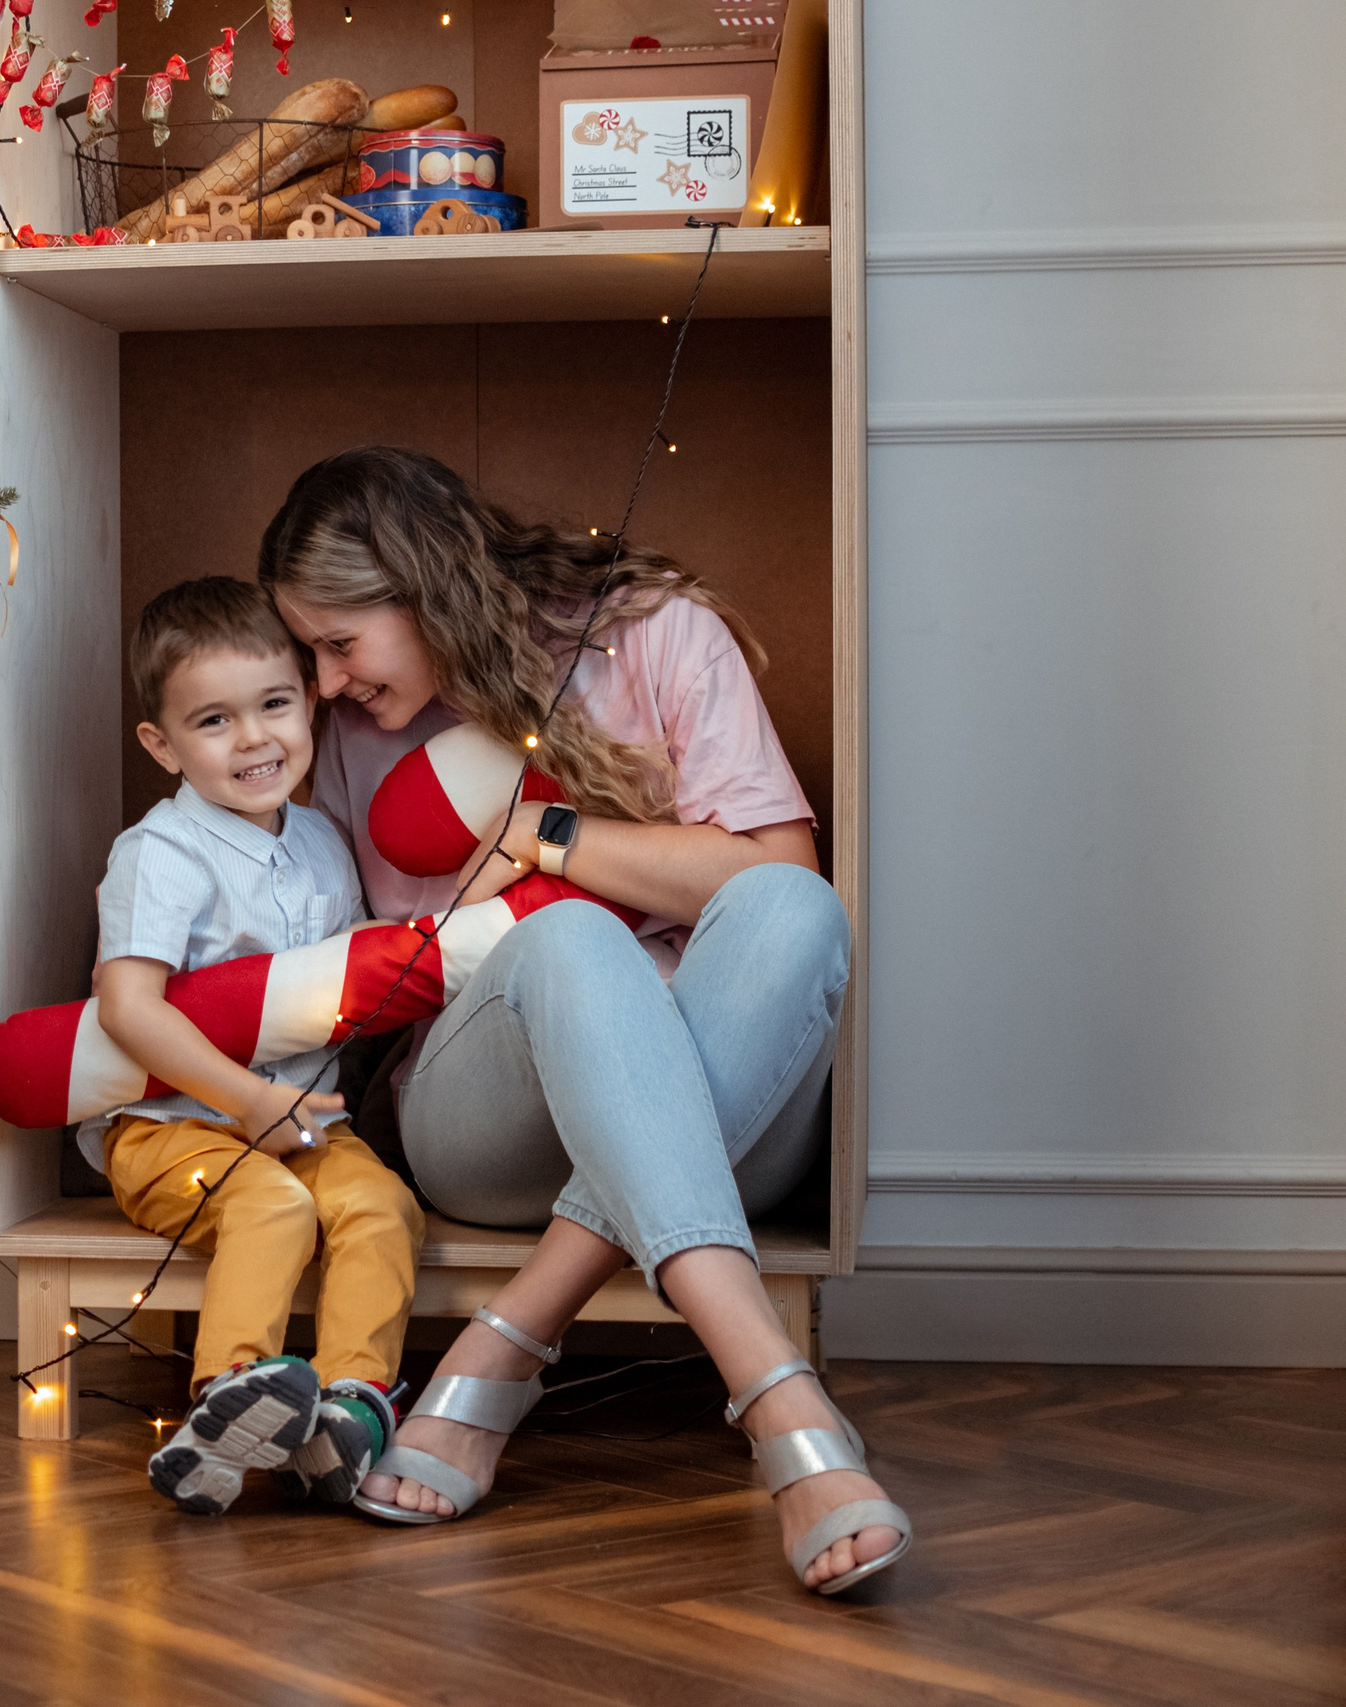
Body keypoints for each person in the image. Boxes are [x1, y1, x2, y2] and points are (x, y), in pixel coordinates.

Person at [260, 446, 910, 1595]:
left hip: (732, 1105)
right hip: (488, 1114)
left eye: (336, 642)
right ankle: (780, 1396)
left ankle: (507, 1340)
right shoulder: (351, 734)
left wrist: (544, 835)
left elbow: (772, 876)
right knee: (565, 940)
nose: (320, 684)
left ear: (423, 586)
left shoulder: (650, 632)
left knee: (795, 907)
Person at [88, 576, 425, 1516]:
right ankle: (228, 1403)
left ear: (309, 699)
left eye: (274, 704)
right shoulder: (162, 853)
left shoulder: (322, 842)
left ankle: (350, 1406)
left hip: (304, 1119)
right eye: (214, 720)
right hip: (173, 1129)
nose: (254, 739)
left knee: (381, 1207)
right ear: (162, 744)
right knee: (273, 1208)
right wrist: (245, 1101)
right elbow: (127, 1006)